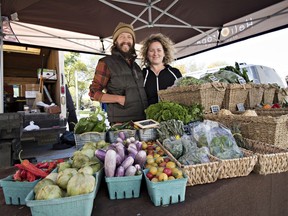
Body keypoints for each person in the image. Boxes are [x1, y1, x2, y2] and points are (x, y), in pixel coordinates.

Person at [89, 22, 148, 124]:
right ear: (115, 41)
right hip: (121, 124)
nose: (126, 40)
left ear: (133, 42)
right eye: (122, 37)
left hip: (142, 121)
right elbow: (93, 93)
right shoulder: (106, 63)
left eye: (129, 37)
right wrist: (118, 98)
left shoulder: (136, 66)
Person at [140, 33, 182, 106]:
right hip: (148, 116)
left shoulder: (175, 73)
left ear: (164, 53)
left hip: (172, 116)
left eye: (159, 50)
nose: (155, 53)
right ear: (146, 54)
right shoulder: (141, 75)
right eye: (151, 50)